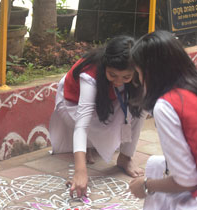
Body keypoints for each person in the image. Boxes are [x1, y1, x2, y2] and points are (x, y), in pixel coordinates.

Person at [49, 35, 145, 198]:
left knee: (142, 106)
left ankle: (125, 157)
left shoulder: (139, 73)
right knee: (86, 131)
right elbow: (82, 125)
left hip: (108, 102)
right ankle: (86, 147)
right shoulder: (89, 75)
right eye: (112, 75)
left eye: (126, 77)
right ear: (104, 66)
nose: (118, 81)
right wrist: (80, 171)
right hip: (73, 106)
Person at [129, 30, 197, 210]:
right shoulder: (191, 88)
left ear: (149, 72)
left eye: (138, 72)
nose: (138, 79)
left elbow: (186, 180)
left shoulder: (167, 105)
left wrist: (146, 185)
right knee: (158, 164)